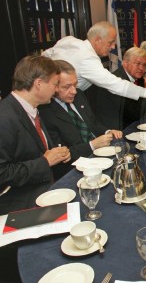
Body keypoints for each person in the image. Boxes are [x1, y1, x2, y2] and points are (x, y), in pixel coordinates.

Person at [0, 55, 71, 282]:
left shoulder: (31, 110)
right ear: (38, 84)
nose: (56, 89)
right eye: (54, 83)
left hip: (41, 195)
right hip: (19, 210)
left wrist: (56, 155)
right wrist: (45, 162)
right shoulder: (5, 117)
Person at [42, 21, 146, 103]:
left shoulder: (69, 40)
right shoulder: (88, 59)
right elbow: (114, 84)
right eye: (110, 42)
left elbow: (45, 55)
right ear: (98, 40)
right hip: (57, 100)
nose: (113, 47)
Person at [39, 60, 122, 176]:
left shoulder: (79, 95)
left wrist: (108, 131)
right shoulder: (45, 111)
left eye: (75, 84)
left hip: (101, 154)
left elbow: (93, 123)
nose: (73, 91)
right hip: (76, 167)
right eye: (67, 87)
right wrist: (92, 145)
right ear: (54, 86)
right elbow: (62, 154)